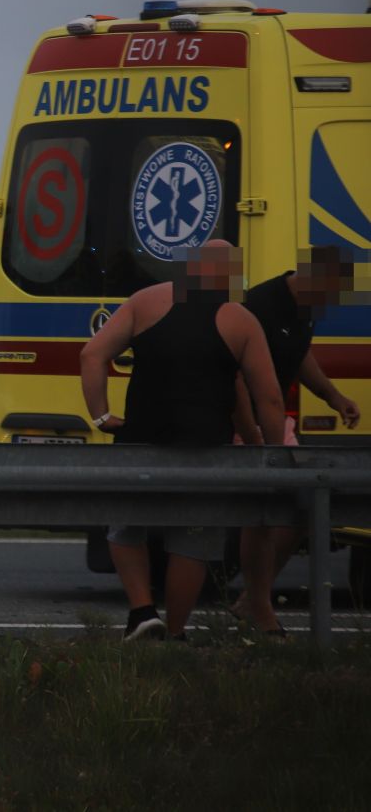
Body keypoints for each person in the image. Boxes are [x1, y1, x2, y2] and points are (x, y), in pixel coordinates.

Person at [79, 240, 284, 642]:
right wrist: (271, 455)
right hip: (204, 448)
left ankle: (142, 613)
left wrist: (101, 416)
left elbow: (91, 355)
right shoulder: (240, 321)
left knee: (125, 528)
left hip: (141, 439)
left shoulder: (144, 303)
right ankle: (174, 633)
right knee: (192, 539)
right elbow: (268, 396)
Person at [232, 246, 361, 635]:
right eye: (333, 291)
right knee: (264, 512)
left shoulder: (304, 306)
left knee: (302, 510)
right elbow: (237, 376)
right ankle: (259, 606)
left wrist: (333, 397)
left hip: (273, 422)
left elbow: (300, 355)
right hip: (244, 421)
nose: (334, 302)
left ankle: (254, 599)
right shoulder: (261, 305)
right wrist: (257, 436)